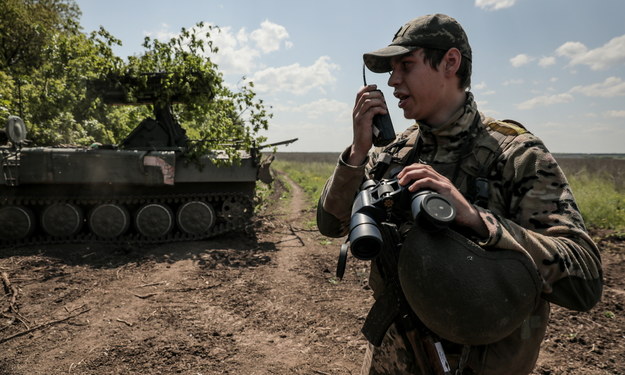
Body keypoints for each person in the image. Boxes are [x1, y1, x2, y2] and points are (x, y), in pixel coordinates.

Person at [316, 13, 603, 375]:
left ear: (450, 62)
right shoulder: (395, 153)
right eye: (390, 70)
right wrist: (357, 154)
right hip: (391, 359)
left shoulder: (516, 155)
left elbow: (585, 280)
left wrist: (478, 221)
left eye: (405, 65)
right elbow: (330, 224)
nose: (392, 82)